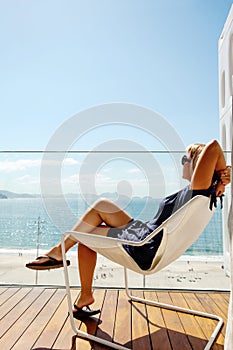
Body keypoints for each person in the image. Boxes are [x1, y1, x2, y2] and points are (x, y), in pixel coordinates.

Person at [26, 139, 231, 318]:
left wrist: (222, 173)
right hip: (145, 233)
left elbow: (213, 146)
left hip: (144, 245)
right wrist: (221, 177)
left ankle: (61, 256)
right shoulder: (202, 192)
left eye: (185, 159)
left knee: (84, 234)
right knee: (101, 206)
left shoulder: (199, 189)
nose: (182, 163)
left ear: (196, 163)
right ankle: (69, 268)